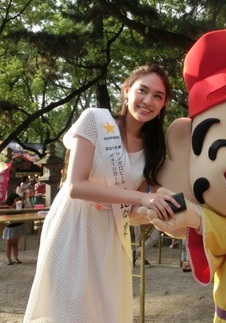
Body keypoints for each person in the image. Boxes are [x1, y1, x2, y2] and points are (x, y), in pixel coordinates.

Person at [24, 64, 181, 323]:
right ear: (127, 90)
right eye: (143, 91)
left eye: (158, 96)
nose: (148, 101)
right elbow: (76, 186)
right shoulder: (94, 120)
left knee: (105, 312)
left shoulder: (154, 149)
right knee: (67, 310)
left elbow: (131, 209)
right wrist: (142, 198)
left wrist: (154, 210)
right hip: (73, 228)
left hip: (111, 236)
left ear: (164, 104)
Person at [2, 193, 27, 265]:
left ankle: (16, 258)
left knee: (16, 243)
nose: (18, 202)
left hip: (18, 226)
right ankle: (9, 259)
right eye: (16, 200)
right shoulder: (7, 208)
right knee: (9, 244)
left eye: (19, 200)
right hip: (10, 227)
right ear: (11, 201)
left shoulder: (20, 208)